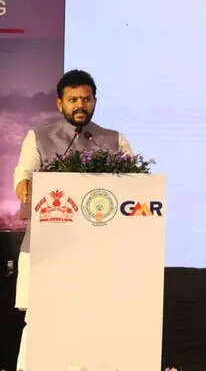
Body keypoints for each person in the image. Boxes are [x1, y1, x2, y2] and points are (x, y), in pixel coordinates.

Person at [12, 69, 133, 371]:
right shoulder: (38, 137)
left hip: (99, 251)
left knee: (96, 318)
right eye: (73, 99)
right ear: (60, 103)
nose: (80, 105)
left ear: (95, 101)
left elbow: (136, 183)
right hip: (47, 248)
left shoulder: (115, 139)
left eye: (86, 99)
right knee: (42, 319)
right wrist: (24, 186)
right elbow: (23, 173)